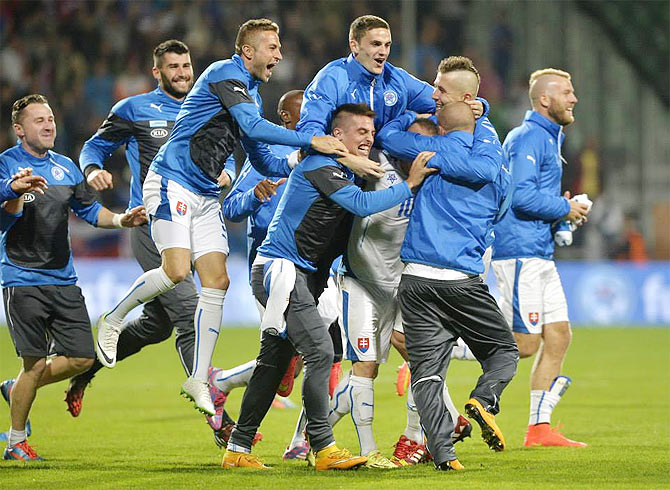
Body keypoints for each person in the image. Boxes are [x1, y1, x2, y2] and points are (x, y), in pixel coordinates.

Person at [93, 19, 352, 416]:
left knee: (217, 281)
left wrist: (299, 159)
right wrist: (310, 138)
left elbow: (261, 156)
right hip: (171, 181)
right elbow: (251, 126)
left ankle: (198, 378)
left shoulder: (249, 92)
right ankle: (113, 318)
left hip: (205, 193)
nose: (279, 55)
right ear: (248, 51)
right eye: (272, 47)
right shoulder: (223, 74)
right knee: (177, 271)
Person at [222, 103, 436, 470]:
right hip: (282, 271)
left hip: (307, 277)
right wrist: (411, 184)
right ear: (337, 136)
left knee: (273, 364)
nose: (368, 138)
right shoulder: (318, 165)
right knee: (321, 352)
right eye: (359, 132)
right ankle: (323, 448)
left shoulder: (348, 171)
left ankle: (237, 449)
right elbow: (362, 205)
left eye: (371, 132)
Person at [0, 94, 146, 461]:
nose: (49, 125)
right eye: (39, 121)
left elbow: (89, 210)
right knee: (33, 364)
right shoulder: (7, 166)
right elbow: (3, 219)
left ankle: (15, 389)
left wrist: (121, 220)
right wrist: (15, 193)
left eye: (50, 118)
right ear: (19, 130)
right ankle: (16, 442)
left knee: (81, 358)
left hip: (63, 279)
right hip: (22, 277)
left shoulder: (65, 167)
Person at [377, 101, 517, 471]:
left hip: (417, 278)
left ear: (441, 124)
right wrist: (484, 112)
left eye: (439, 93)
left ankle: (443, 454)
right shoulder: (496, 160)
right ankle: (482, 401)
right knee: (505, 352)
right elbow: (504, 207)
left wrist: (409, 113)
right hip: (461, 279)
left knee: (426, 373)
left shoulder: (431, 153)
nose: (433, 95)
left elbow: (387, 135)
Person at [327, 117, 467, 469]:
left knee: (421, 357)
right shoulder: (374, 165)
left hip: (404, 284)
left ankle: (424, 432)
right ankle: (333, 440)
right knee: (366, 366)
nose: (414, 149)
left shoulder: (437, 177)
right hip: (362, 281)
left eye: (423, 143)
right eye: (410, 140)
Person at [491, 68, 590, 447]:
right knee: (526, 344)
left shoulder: (549, 138)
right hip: (519, 251)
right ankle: (429, 349)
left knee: (559, 336)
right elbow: (520, 197)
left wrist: (563, 212)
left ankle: (539, 428)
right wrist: (564, 208)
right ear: (545, 100)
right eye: (567, 91)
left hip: (539, 251)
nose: (574, 98)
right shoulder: (528, 137)